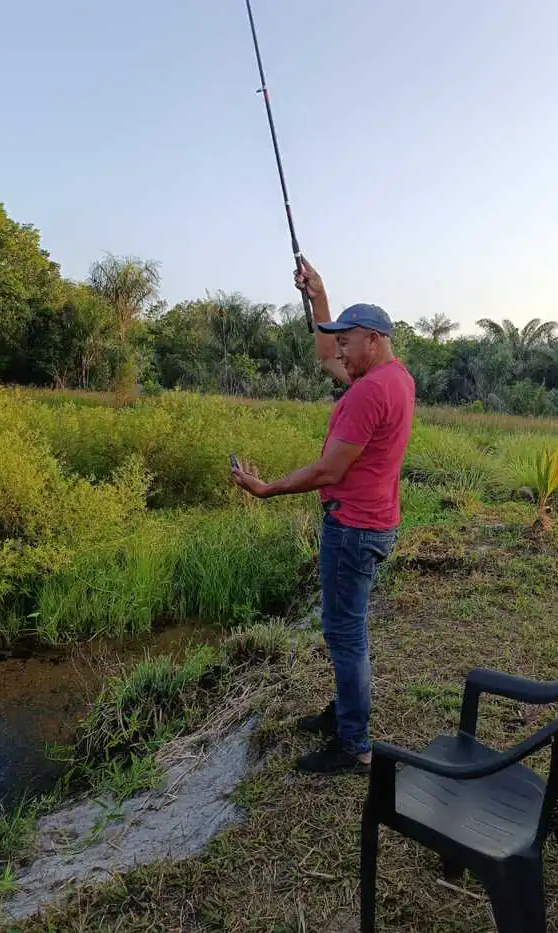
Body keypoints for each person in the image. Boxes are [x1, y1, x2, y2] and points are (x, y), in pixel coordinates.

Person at [232, 259, 415, 775]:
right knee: (347, 627)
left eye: (346, 342)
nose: (338, 351)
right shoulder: (394, 378)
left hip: (354, 527)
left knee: (344, 633)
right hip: (375, 521)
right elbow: (323, 356)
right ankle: (342, 714)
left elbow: (329, 470)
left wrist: (268, 488)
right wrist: (319, 298)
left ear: (373, 340)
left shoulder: (370, 391)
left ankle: (353, 743)